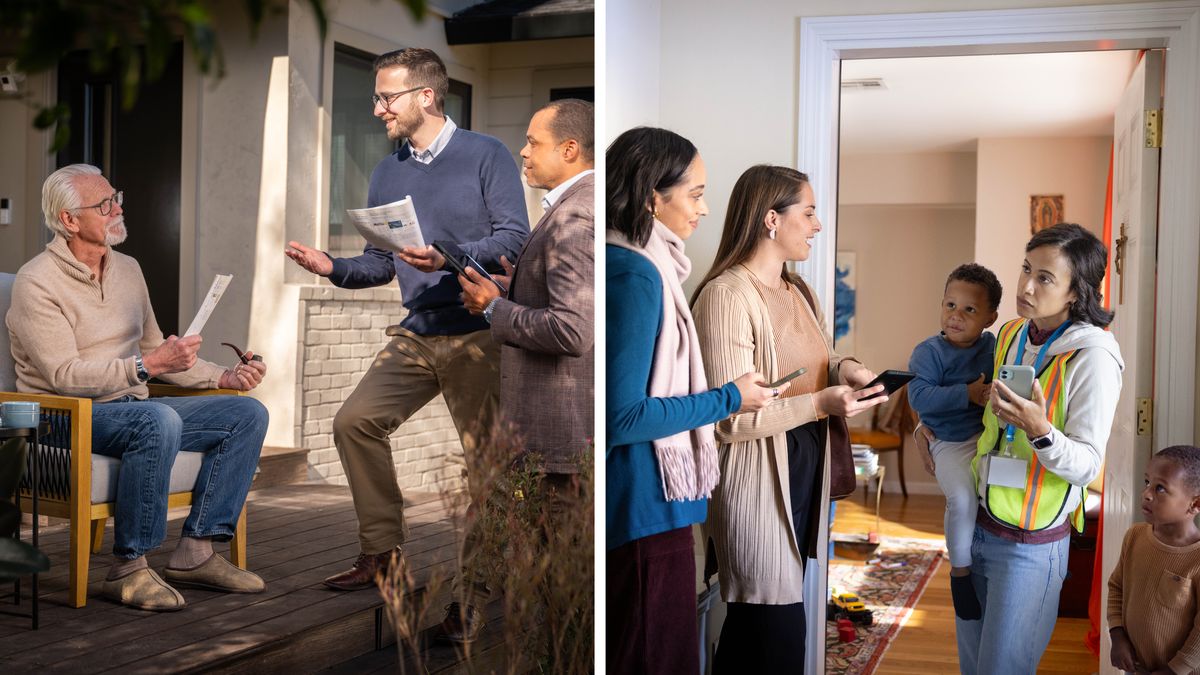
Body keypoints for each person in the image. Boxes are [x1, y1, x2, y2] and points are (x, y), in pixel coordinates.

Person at [283, 47, 528, 642]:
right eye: (376, 97)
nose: (377, 109)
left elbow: (514, 238)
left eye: (386, 97)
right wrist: (333, 266)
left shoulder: (486, 155)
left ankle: (472, 601)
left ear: (426, 96)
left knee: (487, 470)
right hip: (417, 331)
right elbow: (378, 262)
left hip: (477, 332)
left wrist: (447, 256)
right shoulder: (388, 170)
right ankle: (383, 553)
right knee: (355, 423)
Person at [7, 163, 269, 611]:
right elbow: (65, 375)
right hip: (58, 416)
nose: (118, 209)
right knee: (156, 419)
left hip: (132, 408)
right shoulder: (37, 282)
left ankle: (195, 553)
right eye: (104, 204)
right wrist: (148, 365)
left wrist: (222, 377)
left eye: (117, 198)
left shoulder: (128, 268)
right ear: (69, 220)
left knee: (246, 413)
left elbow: (154, 351)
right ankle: (128, 567)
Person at [690, 164, 886, 673]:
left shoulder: (797, 290)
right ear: (771, 219)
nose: (818, 225)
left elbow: (819, 359)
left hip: (802, 472)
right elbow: (728, 419)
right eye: (810, 212)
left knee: (755, 640)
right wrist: (820, 404)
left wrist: (848, 368)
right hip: (756, 482)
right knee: (774, 638)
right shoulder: (725, 297)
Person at [605, 129, 777, 674]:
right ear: (652, 197)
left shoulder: (640, 265)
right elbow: (622, 416)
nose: (703, 208)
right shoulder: (635, 274)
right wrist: (731, 397)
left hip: (651, 505)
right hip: (644, 509)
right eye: (695, 194)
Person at [941, 222, 1123, 674]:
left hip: (1029, 548)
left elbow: (1087, 466)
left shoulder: (1094, 358)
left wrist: (1040, 431)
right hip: (977, 527)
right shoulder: (1010, 334)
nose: (1025, 286)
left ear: (1076, 292)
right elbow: (982, 412)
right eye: (1026, 269)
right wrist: (931, 431)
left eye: (1044, 278)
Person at [460, 99, 594, 477]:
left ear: (569, 149)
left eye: (533, 142)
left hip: (559, 443)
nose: (523, 151)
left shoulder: (576, 214)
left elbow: (572, 330)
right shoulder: (575, 206)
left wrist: (493, 307)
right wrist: (517, 287)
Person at [908, 263, 1001, 621]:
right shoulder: (929, 352)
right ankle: (960, 573)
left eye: (969, 309)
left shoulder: (994, 347)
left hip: (987, 436)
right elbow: (919, 396)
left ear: (990, 318)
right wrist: (968, 393)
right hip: (947, 440)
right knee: (961, 498)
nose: (956, 316)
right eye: (950, 305)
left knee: (994, 493)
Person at [1108, 445, 1200, 675]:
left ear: (1195, 504)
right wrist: (1117, 635)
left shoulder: (1196, 558)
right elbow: (1117, 587)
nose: (1146, 493)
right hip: (1137, 668)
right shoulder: (1135, 536)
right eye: (1147, 482)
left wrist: (1174, 669)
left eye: (1160, 488)